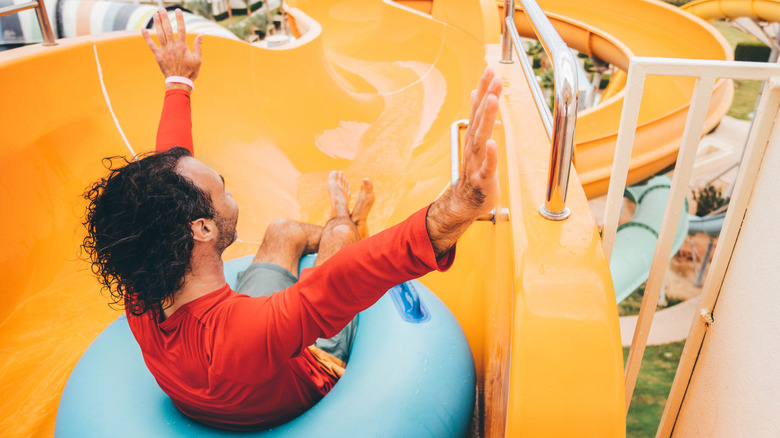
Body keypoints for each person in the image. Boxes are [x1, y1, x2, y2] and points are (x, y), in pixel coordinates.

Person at [82, 8, 503, 431]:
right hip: (311, 373)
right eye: (221, 186)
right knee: (339, 237)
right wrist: (460, 205)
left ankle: (338, 223)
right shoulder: (241, 335)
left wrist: (179, 83)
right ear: (203, 228)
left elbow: (162, 180)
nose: (228, 188)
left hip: (231, 382)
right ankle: (347, 218)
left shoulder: (141, 290)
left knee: (282, 232)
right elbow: (345, 281)